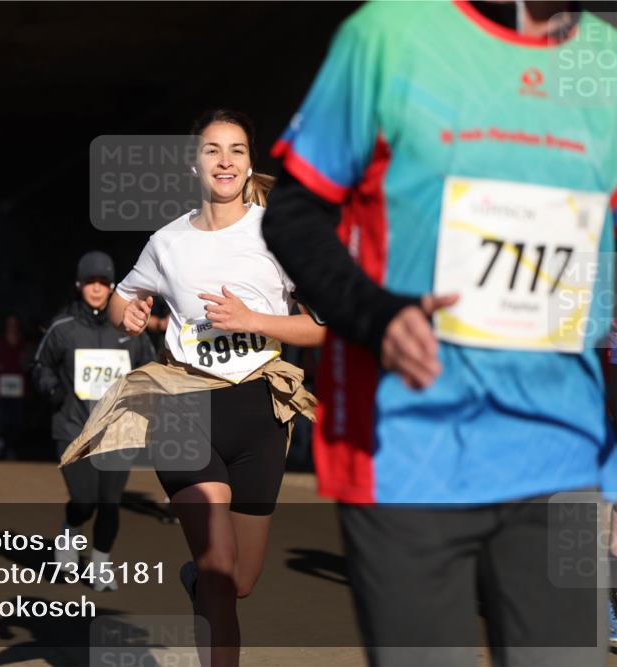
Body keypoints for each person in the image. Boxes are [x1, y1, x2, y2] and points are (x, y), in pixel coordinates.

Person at [259, 2, 616, 664]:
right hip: (407, 452)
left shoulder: (609, 62)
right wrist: (378, 314)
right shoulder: (389, 35)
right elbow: (294, 212)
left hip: (561, 457)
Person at [63, 110, 323, 667]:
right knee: (219, 568)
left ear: (249, 161)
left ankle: (200, 583)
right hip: (182, 404)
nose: (225, 160)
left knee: (239, 581)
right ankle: (207, 588)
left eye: (236, 149)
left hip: (260, 411)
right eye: (212, 150)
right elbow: (119, 299)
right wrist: (124, 312)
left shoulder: (277, 234)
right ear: (194, 163)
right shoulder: (167, 242)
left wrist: (254, 319)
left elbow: (322, 327)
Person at [32, 251, 156, 590]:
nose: (97, 289)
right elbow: (40, 365)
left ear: (113, 286)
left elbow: (150, 368)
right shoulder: (63, 328)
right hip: (74, 428)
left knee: (110, 502)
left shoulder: (130, 330)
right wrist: (51, 387)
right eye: (91, 283)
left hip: (118, 431)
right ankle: (70, 530)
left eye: (103, 283)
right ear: (79, 285)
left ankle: (100, 565)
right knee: (85, 501)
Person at [0, 314, 29, 460]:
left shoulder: (23, 343)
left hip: (19, 383)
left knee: (16, 416)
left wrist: (25, 363)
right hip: (2, 383)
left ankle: (12, 446)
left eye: (14, 323)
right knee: (0, 415)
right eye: (9, 323)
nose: (12, 326)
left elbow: (30, 362)